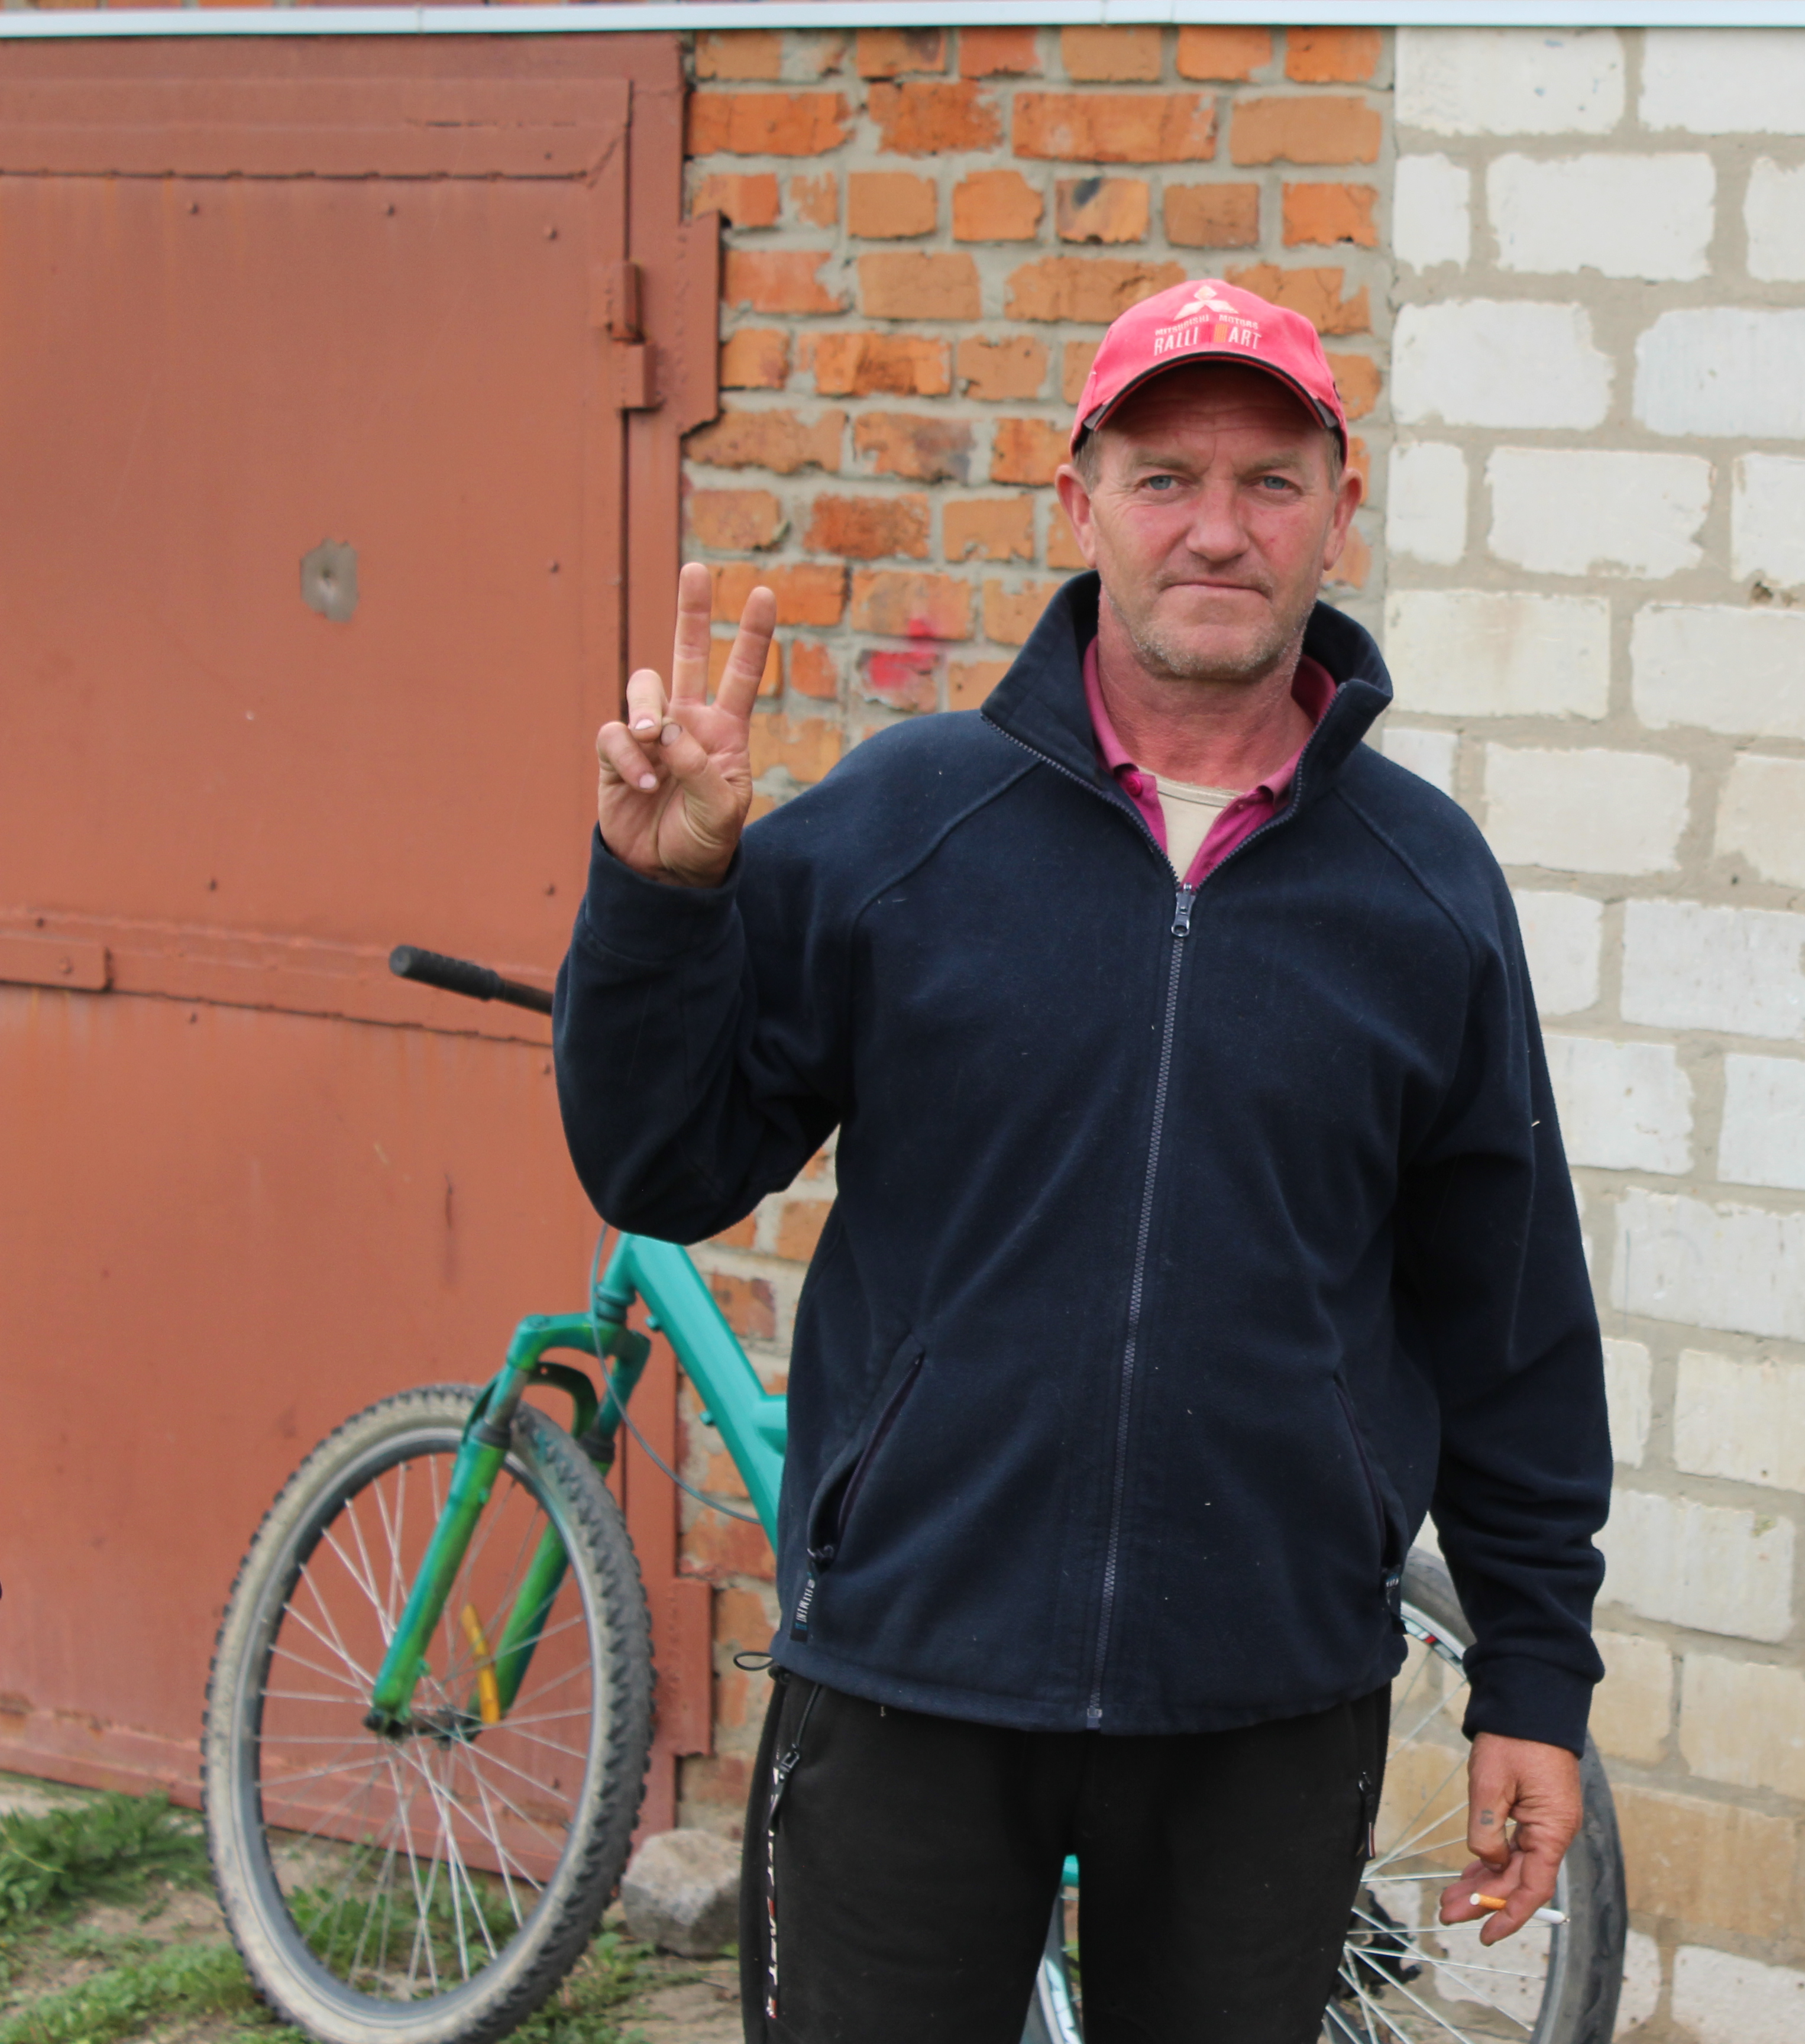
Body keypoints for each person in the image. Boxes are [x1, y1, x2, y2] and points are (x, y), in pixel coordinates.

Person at [554, 277, 1610, 2043]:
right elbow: (662, 1168)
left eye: (1272, 481)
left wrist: (1534, 1677)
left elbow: (1508, 1323)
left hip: (1268, 1698)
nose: (1218, 526)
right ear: (1079, 504)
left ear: (1338, 514)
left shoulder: (1427, 891)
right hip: (912, 1670)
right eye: (1163, 475)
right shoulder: (905, 825)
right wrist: (664, 900)